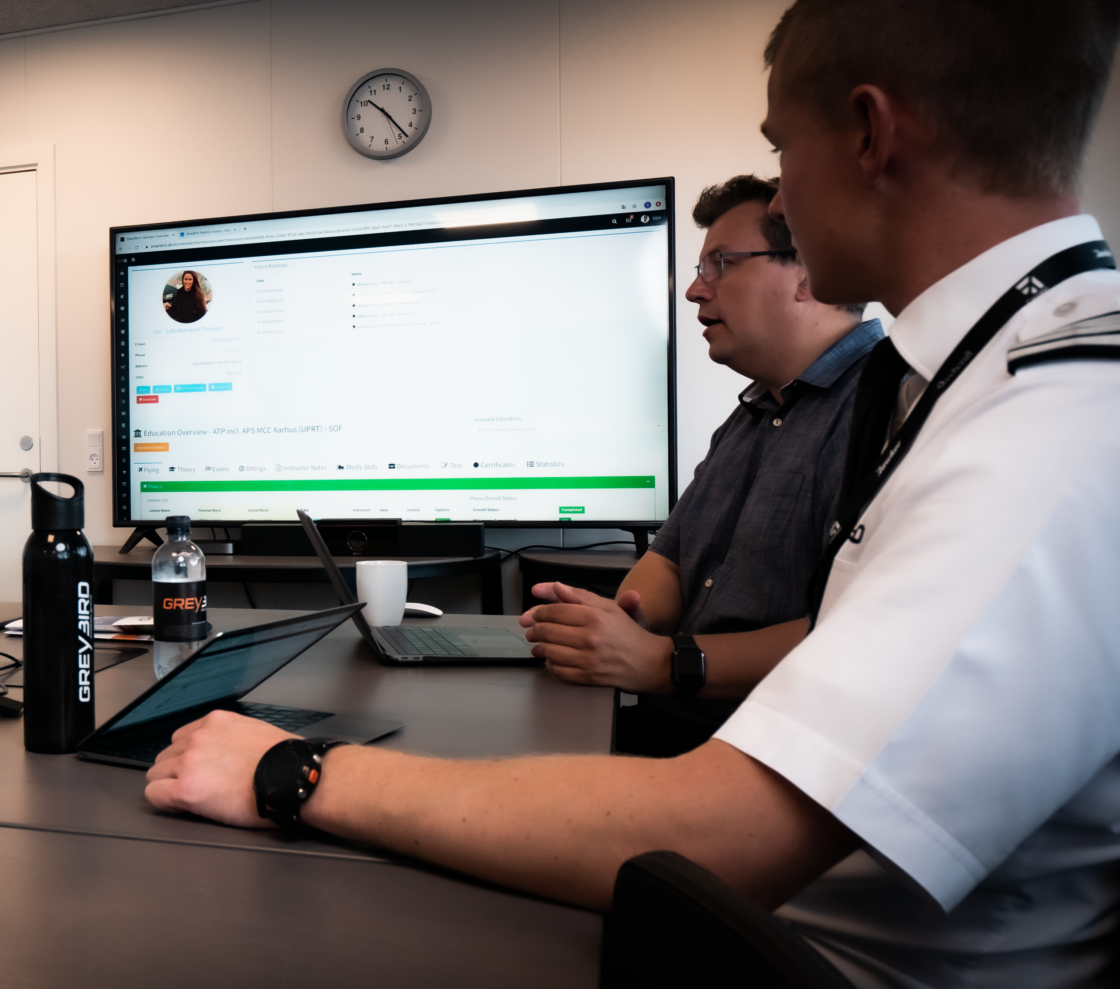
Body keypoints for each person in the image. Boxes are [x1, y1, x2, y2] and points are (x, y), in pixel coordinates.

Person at [144, 1, 1120, 984]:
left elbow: (723, 833)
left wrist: (294, 769)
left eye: (781, 148)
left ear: (871, 131)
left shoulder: (1057, 423)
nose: (782, 195)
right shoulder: (969, 380)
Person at [523, 175, 880, 758]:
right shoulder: (750, 415)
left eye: (722, 264)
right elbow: (670, 560)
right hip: (676, 730)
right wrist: (621, 624)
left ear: (807, 273)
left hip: (766, 756)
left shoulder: (887, 407)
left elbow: (860, 633)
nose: (693, 290)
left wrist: (662, 661)